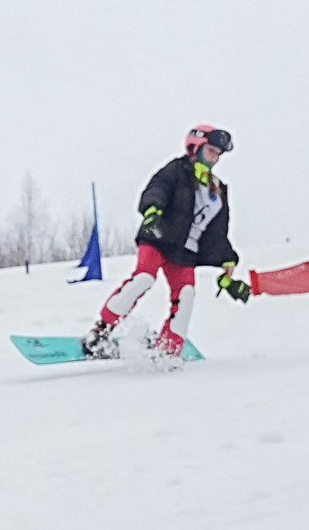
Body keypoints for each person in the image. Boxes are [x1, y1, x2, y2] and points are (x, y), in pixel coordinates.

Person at [82, 125, 251, 360]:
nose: (215, 157)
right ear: (196, 147)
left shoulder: (218, 189)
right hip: (159, 237)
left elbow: (217, 233)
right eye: (211, 150)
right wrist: (153, 212)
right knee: (143, 279)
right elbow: (157, 189)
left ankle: (168, 349)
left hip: (185, 252)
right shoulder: (177, 170)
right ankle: (100, 332)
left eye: (218, 153)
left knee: (187, 296)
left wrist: (228, 262)